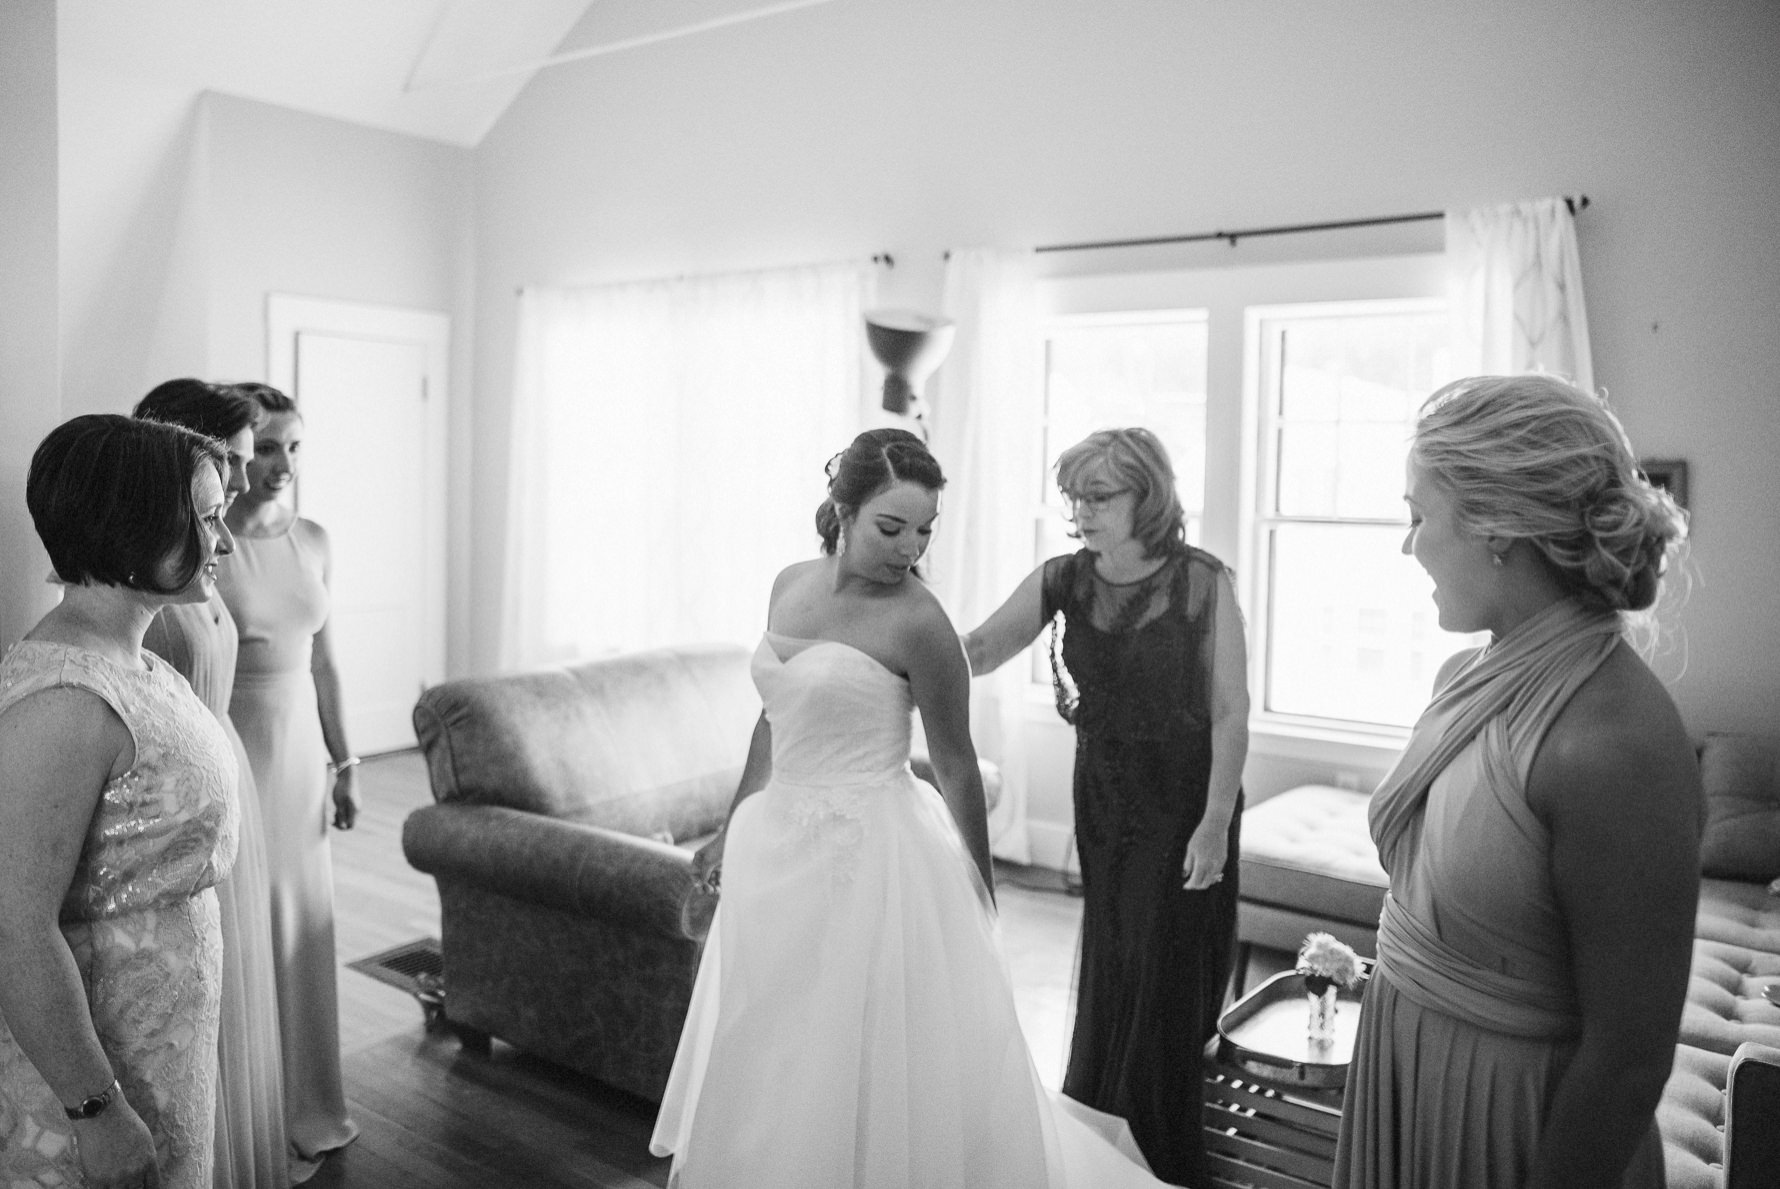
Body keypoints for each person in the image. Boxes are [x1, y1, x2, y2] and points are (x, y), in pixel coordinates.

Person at [649, 428, 1167, 1188]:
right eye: (891, 527)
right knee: (773, 1038)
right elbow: (774, 716)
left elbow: (955, 761)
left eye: (923, 530)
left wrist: (980, 888)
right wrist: (732, 825)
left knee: (857, 1049)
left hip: (869, 856)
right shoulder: (788, 583)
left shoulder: (920, 621)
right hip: (775, 850)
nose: (908, 547)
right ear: (843, 509)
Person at [1332, 374, 1700, 1189]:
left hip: (1515, 1130)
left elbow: (1630, 1061)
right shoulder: (1462, 675)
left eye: (1418, 516)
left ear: (1497, 526)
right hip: (1406, 1085)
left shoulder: (1613, 742)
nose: (1408, 544)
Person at [961, 426, 1249, 1186]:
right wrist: (889, 640)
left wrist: (1216, 823)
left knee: (1166, 966)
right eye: (1075, 495)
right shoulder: (1063, 579)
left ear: (1144, 496)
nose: (1082, 509)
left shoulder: (1202, 582)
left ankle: (1159, 1148)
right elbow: (982, 649)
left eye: (1100, 494)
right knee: (1116, 955)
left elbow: (1230, 710)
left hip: (1189, 802)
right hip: (1107, 799)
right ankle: (1098, 1132)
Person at [0, 414, 240, 1189]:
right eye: (207, 516)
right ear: (133, 524)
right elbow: (13, 927)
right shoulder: (66, 699)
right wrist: (98, 1112)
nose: (225, 540)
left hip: (160, 1031)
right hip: (98, 1060)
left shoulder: (133, 658)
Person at [134, 379, 293, 1188]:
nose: (238, 480)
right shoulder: (157, 590)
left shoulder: (206, 560)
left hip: (232, 785)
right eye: (229, 459)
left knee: (240, 992)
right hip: (183, 813)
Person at [216, 382, 359, 1163]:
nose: (281, 464)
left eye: (294, 447)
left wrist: (348, 762)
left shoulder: (315, 538)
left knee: (304, 924)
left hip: (304, 753)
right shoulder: (206, 544)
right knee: (249, 927)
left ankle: (311, 1102)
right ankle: (250, 1112)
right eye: (266, 447)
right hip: (241, 748)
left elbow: (328, 666)